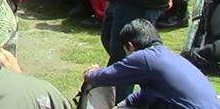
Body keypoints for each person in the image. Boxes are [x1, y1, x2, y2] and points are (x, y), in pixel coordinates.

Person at [84, 19, 220, 109]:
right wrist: (122, 106)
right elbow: (146, 95)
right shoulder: (168, 57)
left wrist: (90, 73)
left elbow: (105, 77)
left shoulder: (144, 58)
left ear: (130, 46)